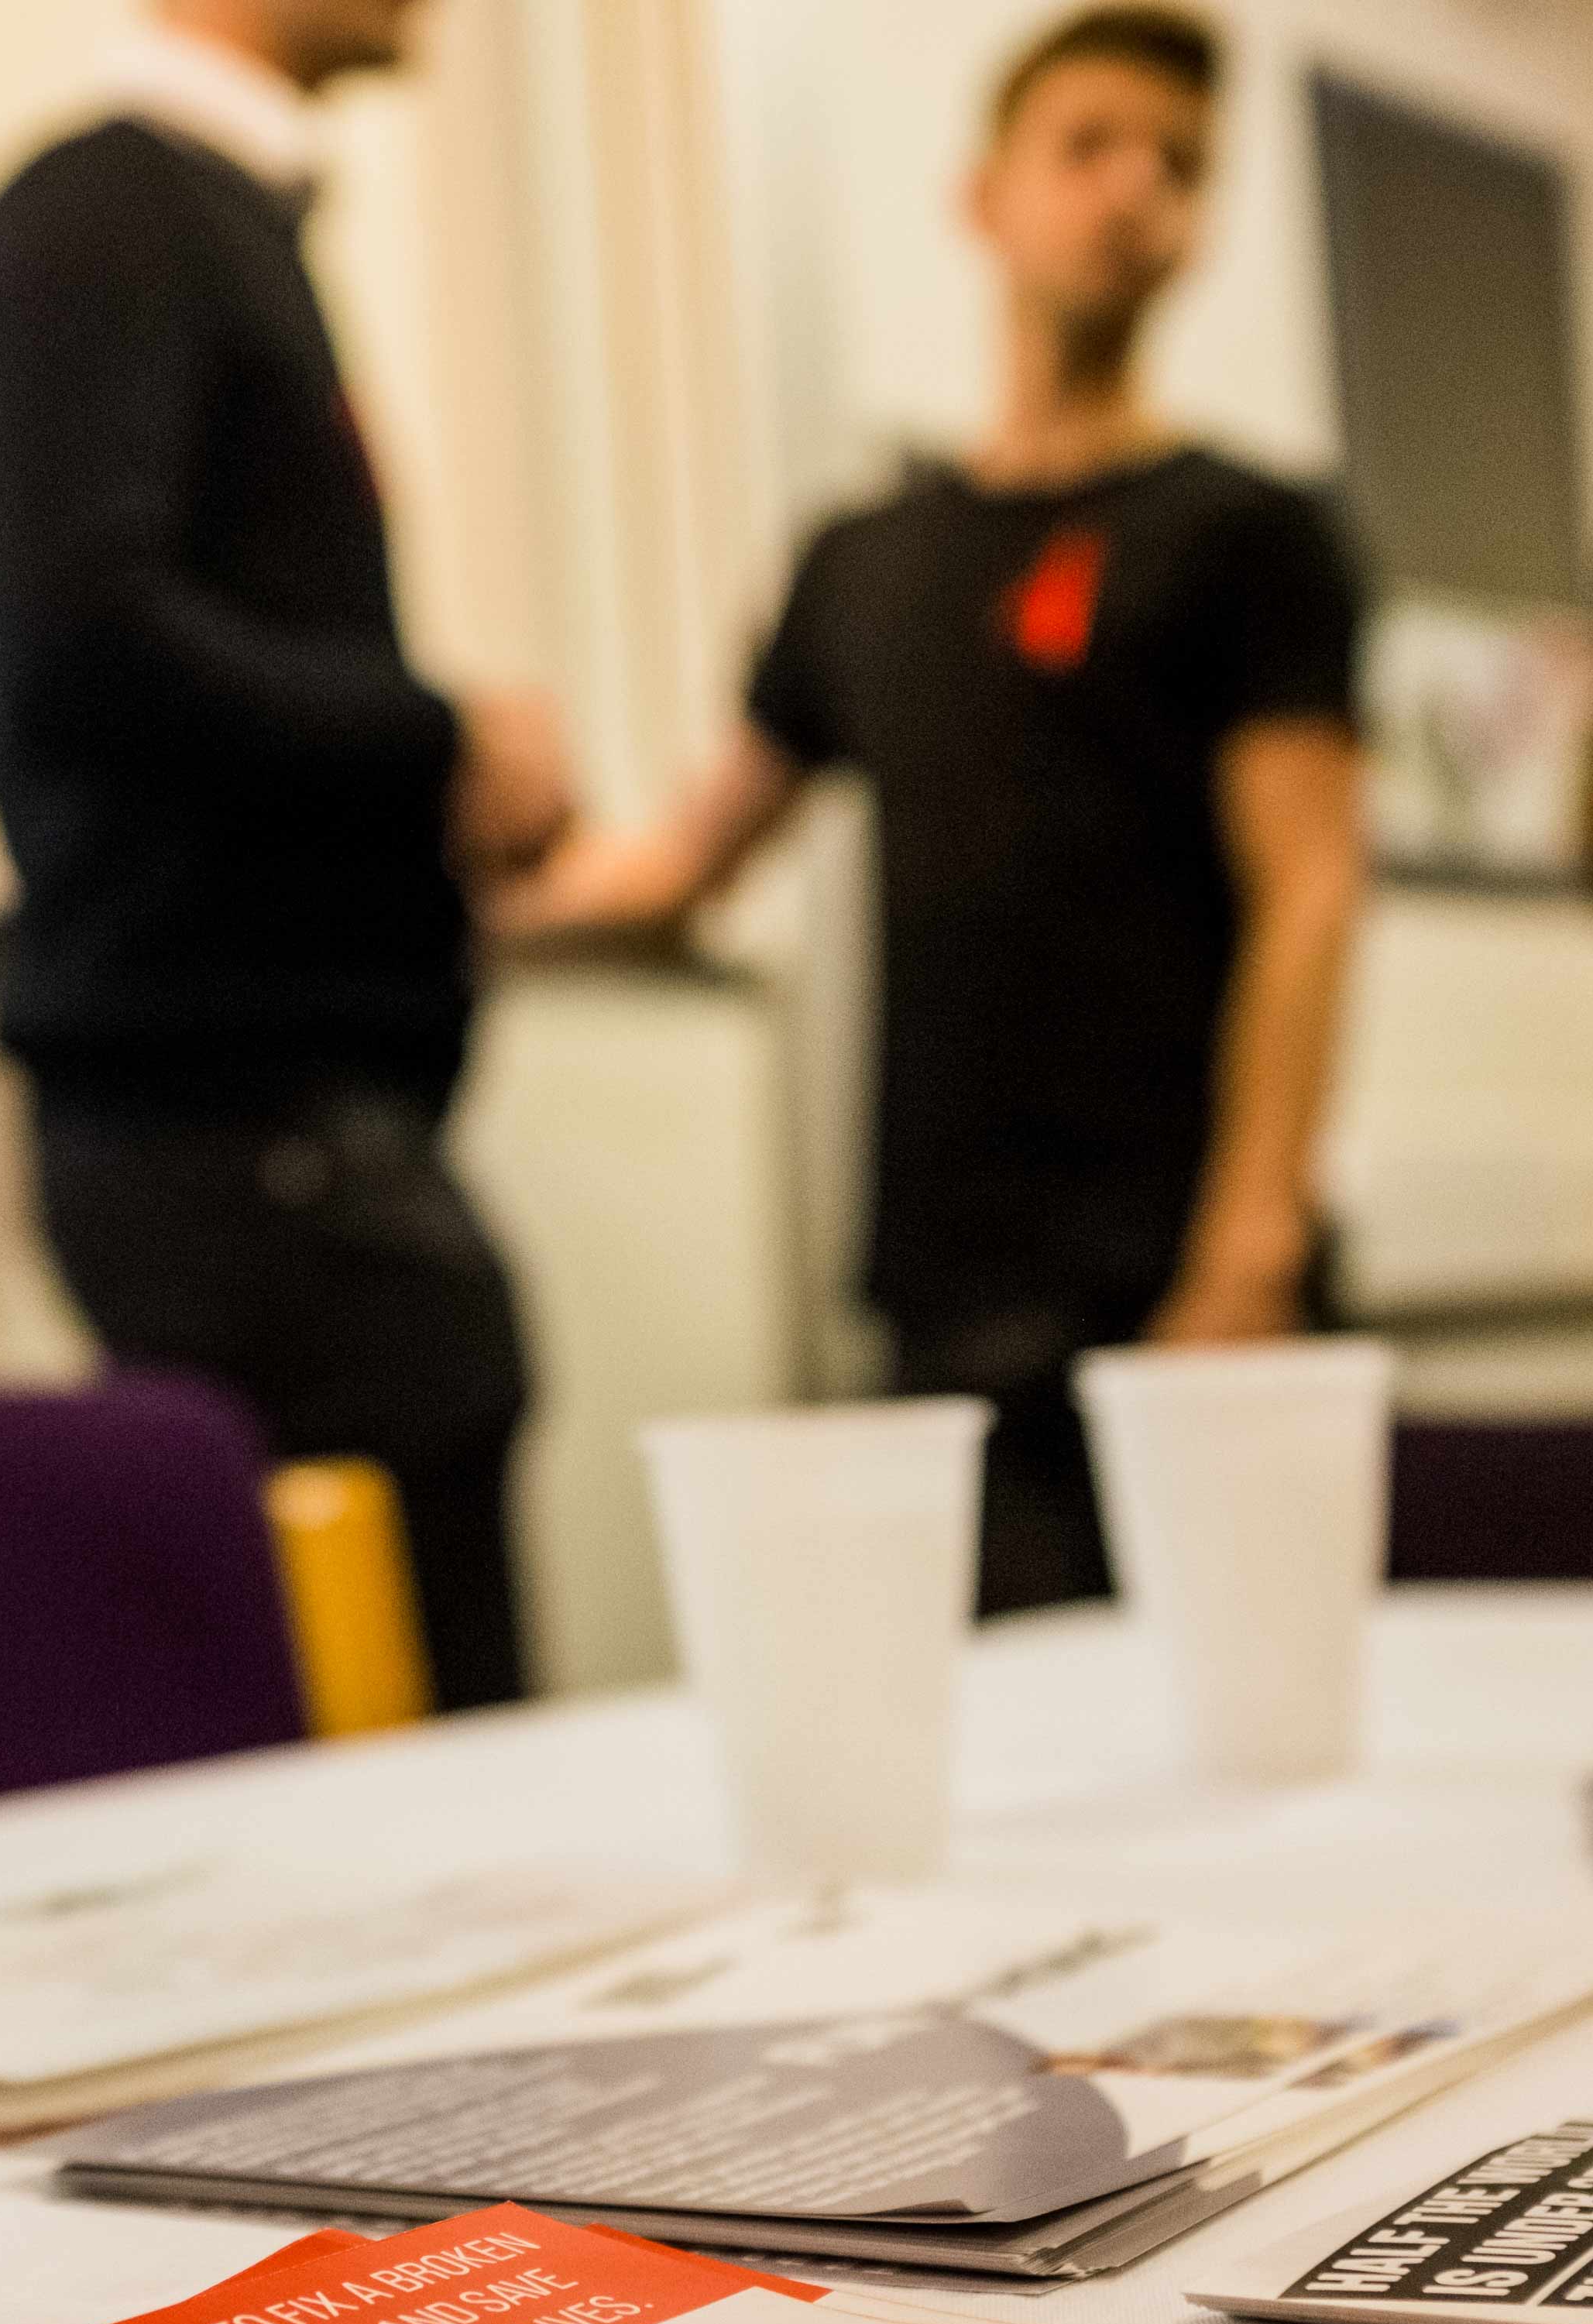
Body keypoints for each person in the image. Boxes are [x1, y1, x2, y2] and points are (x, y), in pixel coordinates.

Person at [494, 5, 1365, 1614]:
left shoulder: (1250, 535)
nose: (1135, 190)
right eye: (1090, 146)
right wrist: (452, 900)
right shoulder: (862, 561)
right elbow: (683, 858)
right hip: (948, 1293)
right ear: (985, 196)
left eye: (1179, 166)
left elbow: (1311, 886)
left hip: (1177, 1285)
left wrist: (1252, 1251)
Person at [0, 0, 572, 1709]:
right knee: (403, 1753)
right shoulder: (109, 211)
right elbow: (85, 642)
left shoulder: (197, 218)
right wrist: (441, 742)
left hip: (285, 1132)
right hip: (235, 1136)